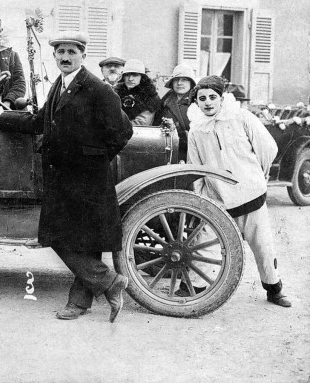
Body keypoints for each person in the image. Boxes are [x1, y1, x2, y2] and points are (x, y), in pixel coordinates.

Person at [0, 31, 133, 323]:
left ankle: (105, 283)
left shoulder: (97, 88)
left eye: (71, 52)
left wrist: (93, 158)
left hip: (88, 177)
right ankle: (83, 300)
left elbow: (122, 132)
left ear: (82, 55)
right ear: (54, 56)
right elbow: (40, 121)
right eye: (60, 52)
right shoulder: (60, 84)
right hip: (64, 176)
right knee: (81, 240)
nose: (65, 57)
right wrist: (2, 117)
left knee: (59, 236)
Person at [186, 76, 291, 307]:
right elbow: (195, 167)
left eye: (212, 97)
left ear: (221, 99)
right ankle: (197, 287)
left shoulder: (240, 117)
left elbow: (267, 148)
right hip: (218, 199)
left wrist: (256, 176)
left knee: (262, 244)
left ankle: (274, 289)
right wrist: (202, 198)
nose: (207, 103)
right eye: (202, 99)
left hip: (249, 194)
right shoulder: (196, 130)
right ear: (197, 102)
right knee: (206, 242)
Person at [154, 64, 196, 162]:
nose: (179, 83)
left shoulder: (197, 103)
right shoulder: (165, 100)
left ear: (191, 83)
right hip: (166, 149)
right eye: (176, 80)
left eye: (184, 79)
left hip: (188, 154)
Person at [114, 59, 160, 126]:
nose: (130, 79)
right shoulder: (116, 93)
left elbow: (141, 123)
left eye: (135, 75)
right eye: (127, 75)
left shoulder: (150, 96)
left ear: (142, 77)